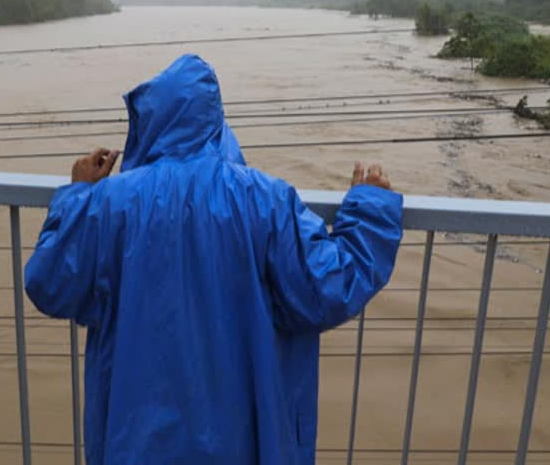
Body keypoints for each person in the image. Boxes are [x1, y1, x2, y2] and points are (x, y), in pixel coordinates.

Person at [24, 54, 403, 465]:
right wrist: (368, 211)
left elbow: (50, 282)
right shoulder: (266, 200)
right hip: (242, 442)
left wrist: (78, 196)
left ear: (148, 124)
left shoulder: (110, 205)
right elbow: (328, 287)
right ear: (215, 122)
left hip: (134, 443)